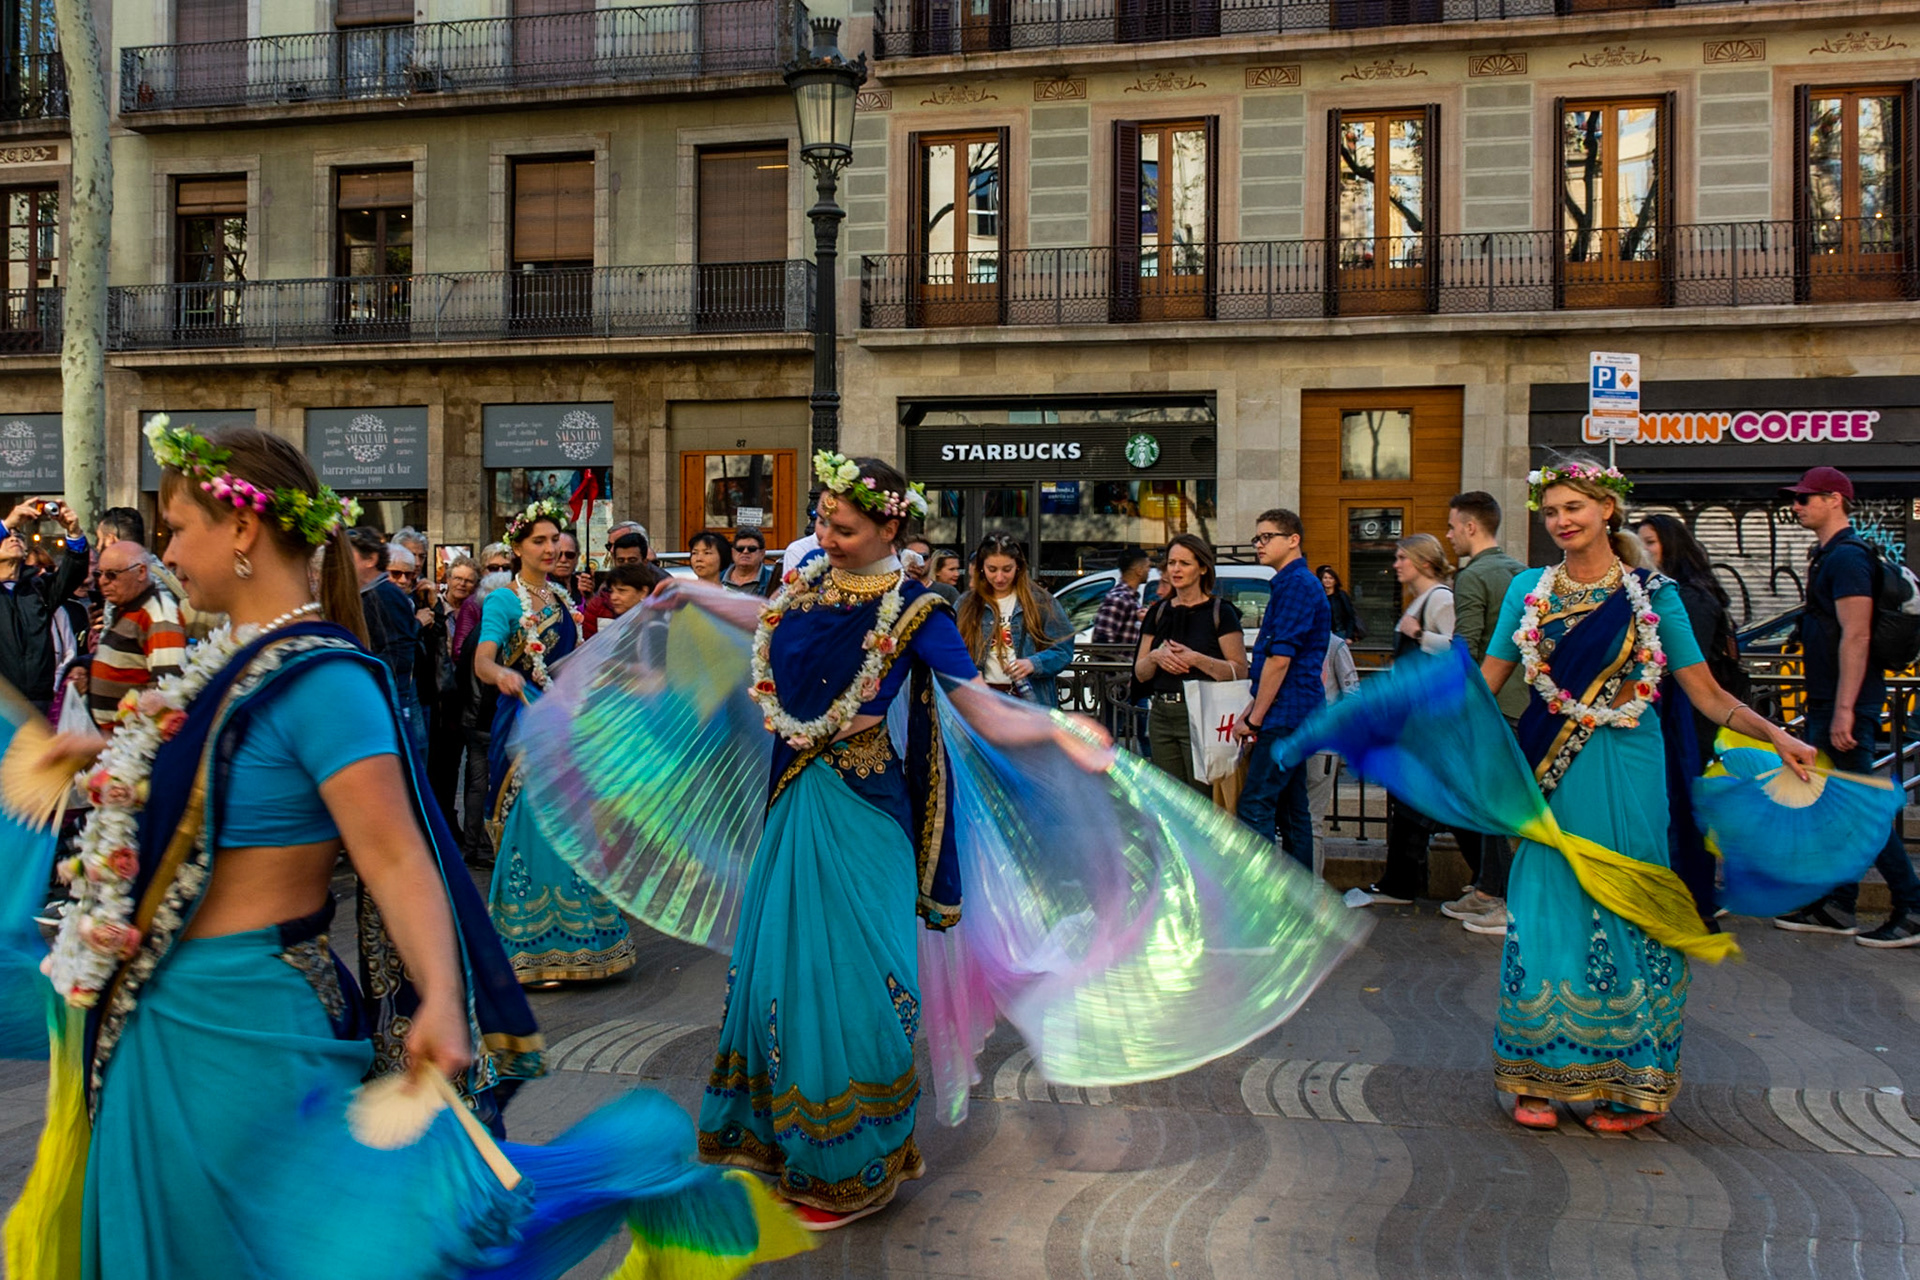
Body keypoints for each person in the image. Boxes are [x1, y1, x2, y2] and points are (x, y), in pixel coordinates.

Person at [12, 422, 801, 1278]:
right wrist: (98, 758)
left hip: (239, 1025)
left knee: (295, 1248)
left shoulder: (320, 679)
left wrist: (442, 1001)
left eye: (175, 528)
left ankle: (626, 1166)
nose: (166, 551)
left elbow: (393, 854)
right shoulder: (224, 667)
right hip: (166, 1018)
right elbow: (212, 792)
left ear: (241, 530)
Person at [695, 453, 994, 1230]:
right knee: (782, 977)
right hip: (799, 799)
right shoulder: (805, 589)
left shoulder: (919, 609)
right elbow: (758, 625)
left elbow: (980, 708)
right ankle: (790, 1147)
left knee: (858, 986)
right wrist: (688, 595)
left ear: (891, 524)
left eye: (842, 524)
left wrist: (1064, 738)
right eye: (822, 519)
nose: (824, 533)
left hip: (865, 810)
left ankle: (855, 1161)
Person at [1481, 460, 1811, 1131]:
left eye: (1575, 507)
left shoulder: (1653, 595)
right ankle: (1540, 1075)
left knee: (1624, 907)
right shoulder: (1526, 589)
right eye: (1552, 512)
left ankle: (1630, 1083)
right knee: (1546, 907)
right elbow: (1483, 682)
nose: (1563, 521)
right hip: (1549, 771)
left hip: (1629, 764)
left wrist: (1777, 736)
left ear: (1608, 510)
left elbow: (1708, 695)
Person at [474, 499, 637, 985]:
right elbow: (482, 660)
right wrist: (500, 672)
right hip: (525, 726)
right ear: (518, 547)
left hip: (566, 726)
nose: (550, 549)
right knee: (535, 829)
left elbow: (576, 662)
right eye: (538, 541)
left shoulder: (564, 600)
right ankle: (531, 949)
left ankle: (582, 943)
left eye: (554, 541)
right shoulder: (505, 600)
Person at [1772, 466, 1920, 947]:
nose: (1796, 507)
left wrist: (1843, 711)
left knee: (1859, 808)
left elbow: (1856, 633)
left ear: (1835, 499)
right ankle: (1839, 904)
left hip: (1844, 704)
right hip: (1829, 699)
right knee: (1840, 806)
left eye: (1805, 499)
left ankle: (1911, 905)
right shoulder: (1828, 555)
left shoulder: (1849, 558)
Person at [1366, 533, 1489, 907]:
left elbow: (1459, 651)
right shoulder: (1422, 600)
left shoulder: (1440, 599)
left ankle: (1489, 880)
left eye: (1402, 557)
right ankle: (1403, 882)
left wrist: (1419, 634)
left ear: (1422, 562)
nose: (1396, 564)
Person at [1441, 491, 1529, 934]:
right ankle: (1490, 889)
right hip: (1523, 702)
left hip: (1490, 706)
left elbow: (1466, 647)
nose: (1449, 534)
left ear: (1472, 527)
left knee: (1497, 808)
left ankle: (1502, 898)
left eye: (1453, 526)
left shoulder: (1473, 576)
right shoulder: (1519, 571)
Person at [1235, 510, 1331, 869]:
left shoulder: (1296, 585)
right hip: (1294, 711)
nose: (1259, 545)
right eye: (1256, 538)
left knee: (1255, 804)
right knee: (1292, 810)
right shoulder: (1291, 584)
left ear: (1294, 540)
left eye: (1267, 537)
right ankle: (1298, 902)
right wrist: (1253, 711)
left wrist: (1256, 719)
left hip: (1286, 713)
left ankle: (1266, 899)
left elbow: (1279, 659)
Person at [1131, 536, 1246, 793]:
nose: (1176, 569)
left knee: (1201, 797)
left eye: (1184, 563)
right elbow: (1139, 671)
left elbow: (1239, 670)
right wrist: (1155, 657)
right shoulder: (1158, 611)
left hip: (1203, 713)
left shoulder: (1221, 612)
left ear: (1202, 568)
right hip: (1161, 712)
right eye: (1171, 563)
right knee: (1169, 797)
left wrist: (1196, 659)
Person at [1638, 512, 1747, 768]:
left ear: (1672, 544)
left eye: (1650, 542)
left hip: (1688, 715)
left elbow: (1686, 660)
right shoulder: (1653, 592)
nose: (1644, 551)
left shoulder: (1692, 597)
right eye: (1640, 543)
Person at [955, 533, 1075, 705]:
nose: (999, 578)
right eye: (992, 569)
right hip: (981, 701)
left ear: (1018, 566)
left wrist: (1033, 664)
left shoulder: (1041, 601)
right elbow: (949, 649)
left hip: (1029, 701)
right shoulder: (966, 604)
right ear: (981, 567)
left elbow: (1064, 649)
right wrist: (968, 671)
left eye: (1007, 569)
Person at [347, 527, 427, 777]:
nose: (404, 580)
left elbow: (398, 653)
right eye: (397, 573)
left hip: (394, 698)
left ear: (370, 559)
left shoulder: (385, 594)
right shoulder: (367, 594)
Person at [85, 540, 187, 733]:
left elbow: (167, 688)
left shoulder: (158, 612)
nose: (102, 581)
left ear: (141, 572)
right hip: (114, 739)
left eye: (112, 575)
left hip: (133, 743)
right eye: (99, 574)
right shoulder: (126, 607)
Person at [0, 499, 89, 712]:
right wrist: (7, 523)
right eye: (7, 536)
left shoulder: (38, 588)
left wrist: (74, 532)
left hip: (40, 703)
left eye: (19, 536)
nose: (15, 538)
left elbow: (73, 574)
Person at [458, 570, 509, 869]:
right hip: (487, 719)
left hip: (474, 718)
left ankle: (474, 845)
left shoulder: (477, 631)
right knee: (490, 784)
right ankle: (485, 846)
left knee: (477, 785)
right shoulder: (492, 636)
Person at [422, 557, 478, 823]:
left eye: (468, 580)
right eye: (458, 578)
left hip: (462, 695)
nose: (462, 584)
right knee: (437, 761)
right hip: (438, 695)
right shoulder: (435, 607)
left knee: (454, 761)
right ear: (448, 578)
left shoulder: (474, 611)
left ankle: (449, 817)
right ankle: (438, 818)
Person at [580, 530, 649, 638]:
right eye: (621, 560)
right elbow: (589, 648)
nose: (626, 566)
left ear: (644, 562)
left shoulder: (660, 600)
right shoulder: (598, 606)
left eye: (632, 560)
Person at [454, 541, 512, 656]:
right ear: (483, 572)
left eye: (506, 568)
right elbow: (459, 650)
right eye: (493, 568)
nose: (500, 573)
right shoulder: (472, 604)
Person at [1092, 548, 1152, 646]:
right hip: (1121, 660)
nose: (1149, 570)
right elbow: (1102, 643)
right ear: (1139, 570)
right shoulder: (1118, 599)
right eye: (1147, 566)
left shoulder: (1129, 598)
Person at [904, 535, 956, 604]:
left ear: (931, 561)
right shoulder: (896, 591)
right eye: (912, 557)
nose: (918, 562)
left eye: (923, 557)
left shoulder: (948, 592)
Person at [723, 528, 777, 596]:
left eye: (752, 549)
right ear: (733, 552)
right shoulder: (717, 578)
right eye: (740, 549)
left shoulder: (773, 582)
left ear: (762, 553)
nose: (745, 552)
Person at [1317, 565, 1361, 643]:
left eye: (1331, 578)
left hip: (1339, 633)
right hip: (1321, 633)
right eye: (1325, 578)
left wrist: (1349, 636)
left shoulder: (1341, 596)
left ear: (1335, 581)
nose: (1328, 580)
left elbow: (1350, 616)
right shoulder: (1318, 596)